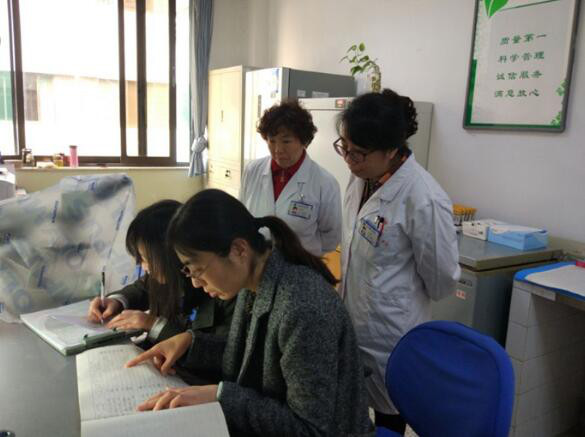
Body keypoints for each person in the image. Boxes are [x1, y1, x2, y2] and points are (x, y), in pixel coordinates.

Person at [125, 189, 374, 437]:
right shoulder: (253, 282)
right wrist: (190, 343)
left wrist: (220, 396)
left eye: (197, 269)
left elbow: (309, 429)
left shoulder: (302, 308)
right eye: (189, 272)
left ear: (239, 250)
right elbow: (248, 357)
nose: (195, 283)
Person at [335, 89, 460, 434]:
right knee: (352, 407)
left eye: (358, 153)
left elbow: (442, 280)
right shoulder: (361, 177)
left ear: (391, 150)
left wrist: (389, 292)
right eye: (344, 147)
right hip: (352, 319)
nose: (349, 160)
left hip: (391, 333)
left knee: (391, 412)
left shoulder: (423, 198)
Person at [87, 199, 235, 345]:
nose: (141, 266)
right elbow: (140, 289)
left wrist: (152, 324)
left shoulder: (220, 290)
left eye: (145, 259)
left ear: (170, 255)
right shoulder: (164, 278)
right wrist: (116, 302)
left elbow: (212, 348)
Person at [240, 99, 341, 256]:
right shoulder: (252, 170)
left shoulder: (325, 183)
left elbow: (331, 238)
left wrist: (302, 258)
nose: (278, 149)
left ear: (304, 141)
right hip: (257, 262)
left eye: (286, 141)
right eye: (272, 141)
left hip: (300, 265)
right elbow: (241, 216)